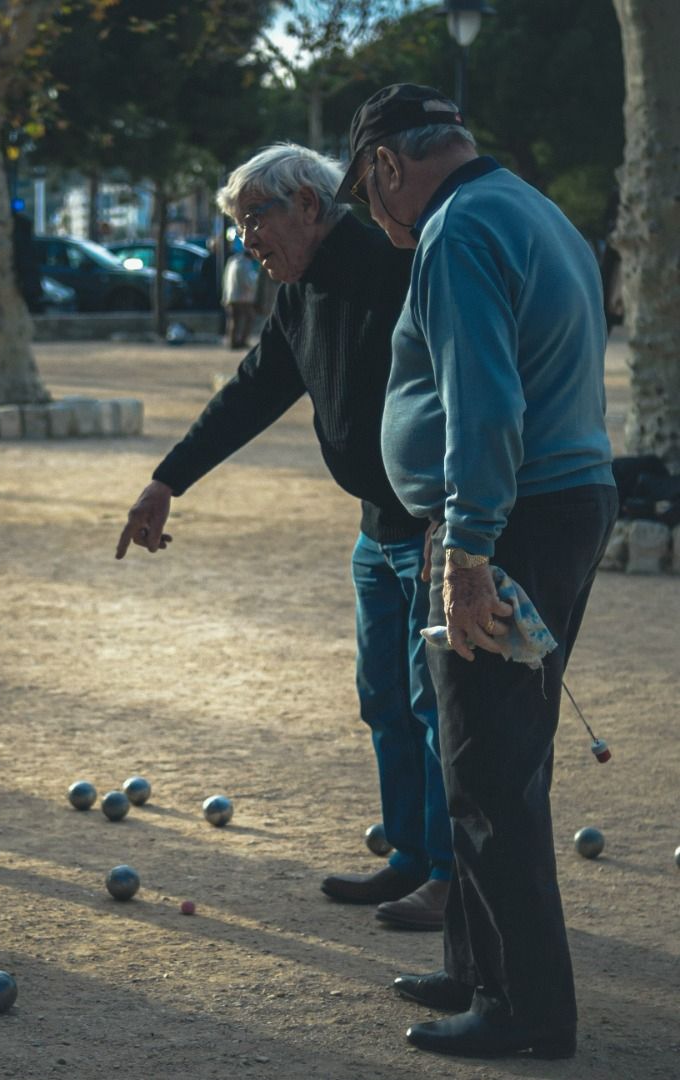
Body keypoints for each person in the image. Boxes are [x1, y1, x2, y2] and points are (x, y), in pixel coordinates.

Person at [336, 84, 617, 1058]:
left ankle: (523, 1009)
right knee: (491, 755)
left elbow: (484, 403)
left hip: (514, 514)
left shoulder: (456, 228)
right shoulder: (532, 207)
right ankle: (475, 964)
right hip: (557, 499)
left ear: (387, 165)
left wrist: (467, 548)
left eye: (366, 195)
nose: (377, 219)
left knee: (489, 768)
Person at [116, 143, 452, 930]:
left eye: (253, 220)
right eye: (238, 228)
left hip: (432, 527)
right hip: (376, 531)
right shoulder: (299, 291)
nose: (246, 242)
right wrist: (168, 479)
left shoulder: (395, 267)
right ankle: (409, 855)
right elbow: (256, 387)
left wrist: (459, 517)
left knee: (433, 707)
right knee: (384, 701)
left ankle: (448, 873)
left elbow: (460, 390)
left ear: (307, 203)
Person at [220, 238, 258, 349]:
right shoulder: (245, 264)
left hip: (231, 296)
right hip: (243, 297)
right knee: (248, 318)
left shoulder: (232, 261)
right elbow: (248, 282)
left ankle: (232, 341)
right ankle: (241, 341)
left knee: (233, 320)